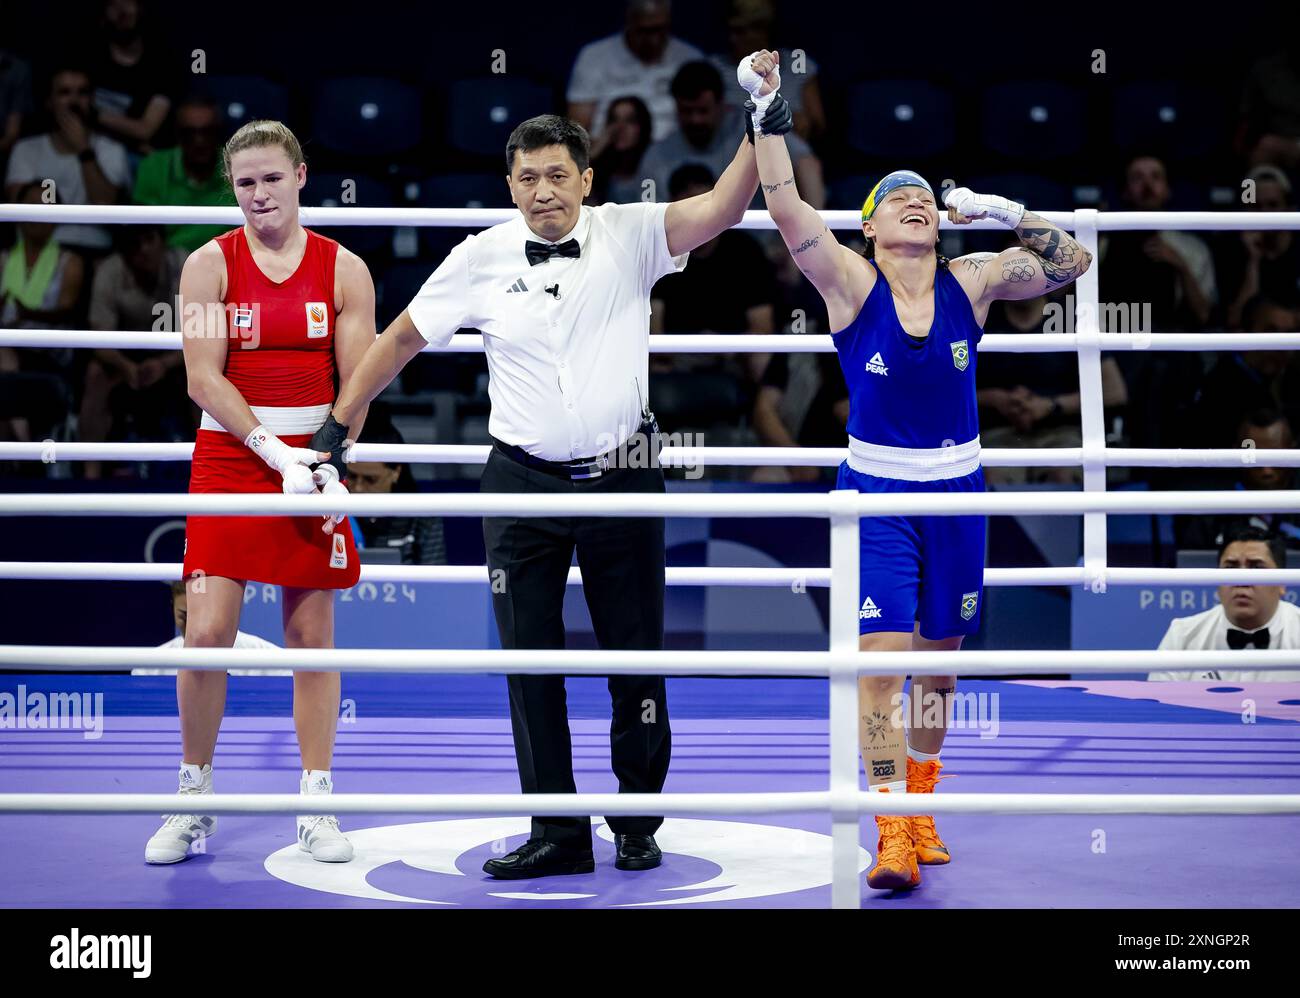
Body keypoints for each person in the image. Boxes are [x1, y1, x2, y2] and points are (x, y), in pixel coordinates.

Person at [320, 106, 789, 879]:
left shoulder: (632, 232)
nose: (544, 191)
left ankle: (637, 821)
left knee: (636, 656)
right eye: (529, 177)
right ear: (510, 185)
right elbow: (401, 337)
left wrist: (757, 125)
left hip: (626, 470)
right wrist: (339, 426)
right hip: (519, 480)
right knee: (530, 660)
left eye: (558, 175)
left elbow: (723, 211)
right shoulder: (477, 257)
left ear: (587, 181)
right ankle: (558, 829)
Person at [743, 49, 1094, 890]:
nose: (916, 199)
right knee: (881, 664)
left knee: (940, 667)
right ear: (869, 224)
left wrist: (1004, 210)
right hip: (875, 497)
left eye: (926, 197)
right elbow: (787, 207)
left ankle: (922, 803)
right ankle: (890, 822)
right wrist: (765, 111)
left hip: (960, 492)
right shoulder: (849, 283)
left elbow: (1073, 263)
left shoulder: (973, 279)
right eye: (896, 195)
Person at [145, 119, 376, 867]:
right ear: (231, 188)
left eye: (272, 178)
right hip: (230, 459)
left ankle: (316, 801)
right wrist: (269, 450)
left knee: (311, 636)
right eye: (245, 183)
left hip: (312, 459)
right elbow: (201, 377)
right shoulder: (207, 266)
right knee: (205, 633)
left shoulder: (346, 271)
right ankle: (194, 797)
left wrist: (327, 457)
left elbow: (359, 381)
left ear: (301, 176)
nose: (259, 194)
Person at [81, 223, 190, 479]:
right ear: (123, 252)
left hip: (177, 356)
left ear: (162, 241)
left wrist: (165, 364)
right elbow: (99, 338)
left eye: (149, 240)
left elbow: (203, 333)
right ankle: (89, 476)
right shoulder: (110, 272)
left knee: (207, 373)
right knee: (95, 374)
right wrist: (125, 366)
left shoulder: (186, 265)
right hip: (125, 359)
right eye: (134, 245)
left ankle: (208, 469)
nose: (143, 250)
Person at [639, 59, 823, 209]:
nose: (695, 120)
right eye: (687, 111)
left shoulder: (754, 130)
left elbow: (807, 164)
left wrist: (807, 235)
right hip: (690, 250)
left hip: (760, 249)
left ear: (722, 106)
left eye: (703, 111)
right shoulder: (657, 155)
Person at [4, 64, 130, 254]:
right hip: (40, 251)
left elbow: (105, 206)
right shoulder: (26, 150)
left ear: (93, 100)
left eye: (82, 93)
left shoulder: (113, 151)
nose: (74, 101)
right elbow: (24, 215)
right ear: (49, 101)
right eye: (64, 93)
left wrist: (84, 150)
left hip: (97, 251)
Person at [1150, 527, 1300, 681]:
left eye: (1256, 567)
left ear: (1282, 582)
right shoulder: (1182, 636)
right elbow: (1157, 703)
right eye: (1230, 568)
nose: (1241, 580)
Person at [0, 181, 86, 445]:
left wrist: (27, 316)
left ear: (56, 215)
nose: (36, 214)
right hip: (8, 347)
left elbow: (66, 312)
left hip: (50, 350)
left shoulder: (70, 261)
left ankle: (22, 448)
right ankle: (22, 442)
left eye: (44, 206)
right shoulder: (2, 259)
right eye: (29, 207)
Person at [566, 0, 703, 143]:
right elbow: (577, 131)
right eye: (645, 31)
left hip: (671, 154)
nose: (654, 40)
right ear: (630, 22)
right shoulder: (593, 57)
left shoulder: (691, 59)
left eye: (659, 30)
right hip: (610, 152)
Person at [132, 95, 236, 253]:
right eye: (190, 132)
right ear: (178, 134)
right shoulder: (154, 166)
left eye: (207, 131)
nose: (199, 140)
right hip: (165, 263)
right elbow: (144, 232)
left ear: (218, 132)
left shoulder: (238, 168)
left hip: (223, 260)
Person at [134, 580, 288, 677]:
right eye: (185, 615)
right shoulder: (149, 668)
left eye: (202, 615)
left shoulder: (270, 659)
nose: (195, 624)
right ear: (173, 607)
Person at [346, 422, 447, 565]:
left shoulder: (423, 518)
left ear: (396, 472)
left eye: (371, 479)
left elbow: (436, 584)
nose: (359, 487)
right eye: (352, 476)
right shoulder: (333, 512)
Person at [83, 0, 173, 154]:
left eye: (128, 2)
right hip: (89, 146)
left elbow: (145, 129)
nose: (122, 11)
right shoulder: (86, 56)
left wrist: (92, 115)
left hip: (136, 155)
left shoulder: (162, 66)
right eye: (113, 4)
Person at [588, 96, 654, 205]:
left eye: (630, 120)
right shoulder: (600, 169)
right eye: (614, 120)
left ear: (643, 126)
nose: (620, 127)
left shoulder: (655, 161)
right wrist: (596, 151)